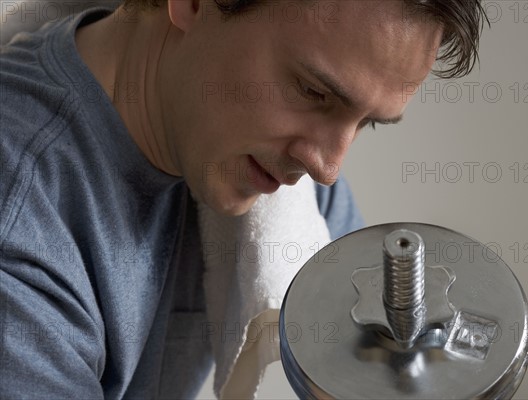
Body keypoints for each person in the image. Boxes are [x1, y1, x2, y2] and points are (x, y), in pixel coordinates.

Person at [0, 0, 487, 398]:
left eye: (365, 123)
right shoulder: (20, 218)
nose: (327, 168)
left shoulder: (273, 171)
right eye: (313, 90)